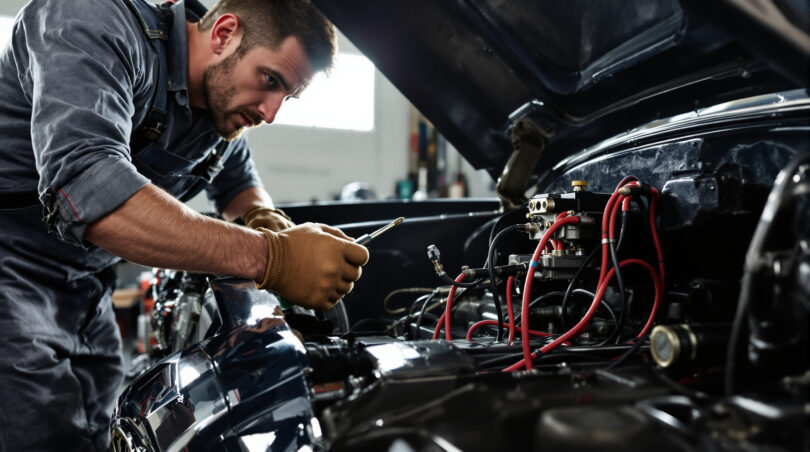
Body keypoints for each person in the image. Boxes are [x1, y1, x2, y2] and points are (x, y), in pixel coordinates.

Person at [0, 0, 369, 449]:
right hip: (9, 271)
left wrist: (269, 221)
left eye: (286, 97)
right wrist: (273, 256)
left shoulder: (219, 111)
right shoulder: (90, 23)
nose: (271, 113)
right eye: (270, 80)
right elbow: (89, 192)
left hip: (86, 291)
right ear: (224, 33)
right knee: (41, 433)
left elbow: (240, 188)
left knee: (103, 431)